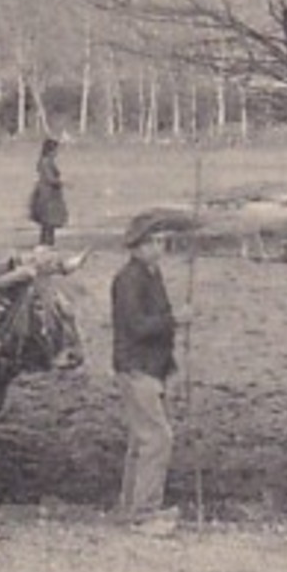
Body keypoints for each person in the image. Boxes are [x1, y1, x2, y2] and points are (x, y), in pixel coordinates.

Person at [111, 212, 183, 535]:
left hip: (151, 368)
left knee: (141, 439)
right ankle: (144, 513)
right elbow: (138, 326)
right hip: (136, 367)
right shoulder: (129, 280)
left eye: (161, 241)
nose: (159, 247)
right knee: (158, 438)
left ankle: (129, 507)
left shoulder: (152, 274)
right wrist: (176, 318)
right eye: (152, 242)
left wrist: (170, 368)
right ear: (136, 247)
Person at [28, 137, 68, 247]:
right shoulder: (46, 162)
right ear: (51, 151)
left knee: (47, 221)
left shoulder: (44, 161)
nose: (57, 153)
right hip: (48, 194)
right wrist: (63, 183)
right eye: (55, 150)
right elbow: (50, 179)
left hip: (46, 192)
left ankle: (45, 242)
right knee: (49, 220)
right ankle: (47, 243)